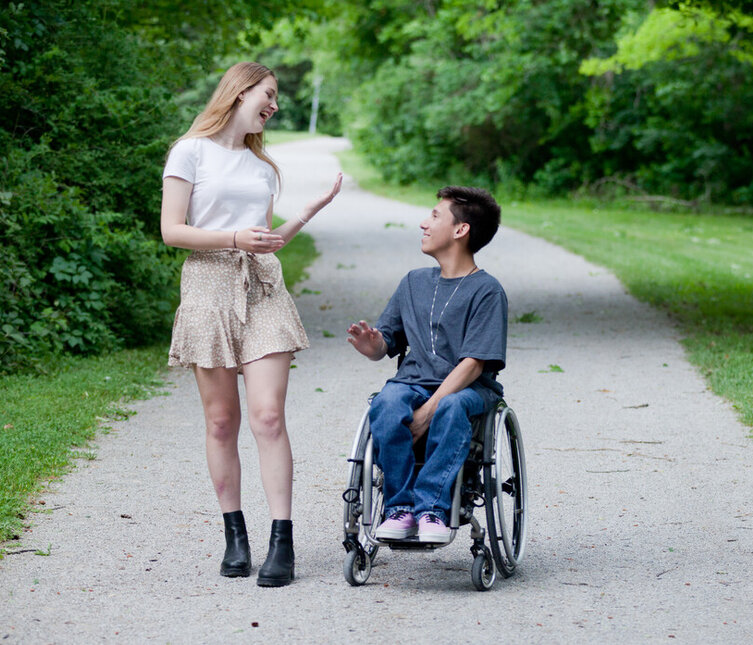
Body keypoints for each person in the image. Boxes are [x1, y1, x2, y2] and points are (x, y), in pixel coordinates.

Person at [160, 61, 342, 587]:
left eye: (276, 97)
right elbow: (173, 231)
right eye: (269, 94)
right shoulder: (190, 151)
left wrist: (307, 211)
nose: (275, 105)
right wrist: (234, 239)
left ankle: (281, 542)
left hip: (262, 288)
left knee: (267, 417)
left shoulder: (263, 168)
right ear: (239, 92)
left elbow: (266, 240)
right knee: (221, 422)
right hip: (207, 289)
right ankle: (234, 537)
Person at [347, 186, 507, 544]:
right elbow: (384, 344)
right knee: (386, 402)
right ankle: (399, 508)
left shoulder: (487, 291)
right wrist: (371, 345)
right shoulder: (413, 282)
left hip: (469, 389)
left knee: (451, 406)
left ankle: (432, 509)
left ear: (460, 230)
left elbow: (474, 364)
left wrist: (427, 412)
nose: (424, 223)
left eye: (435, 216)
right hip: (414, 382)